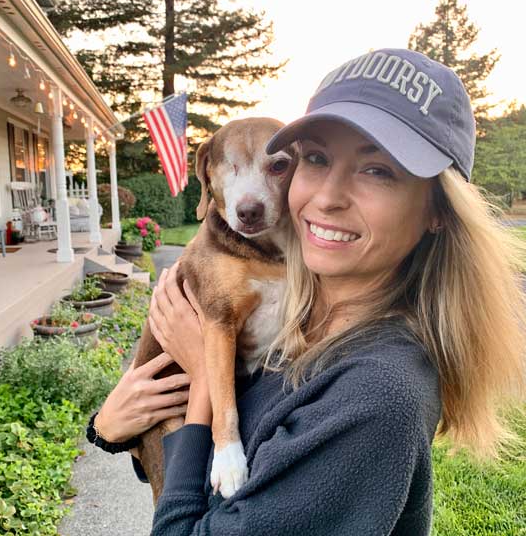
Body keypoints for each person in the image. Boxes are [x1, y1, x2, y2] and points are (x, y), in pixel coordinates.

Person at [89, 48, 526, 535]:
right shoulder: (300, 316)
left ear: (437, 211)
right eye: (316, 159)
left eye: (377, 170)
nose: (326, 196)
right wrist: (109, 427)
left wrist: (202, 388)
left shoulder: (376, 396)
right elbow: (185, 458)